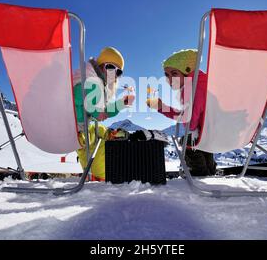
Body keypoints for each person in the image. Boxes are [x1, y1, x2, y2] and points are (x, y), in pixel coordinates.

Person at [146, 49, 216, 176]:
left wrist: (162, 108)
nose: (170, 79)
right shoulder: (205, 82)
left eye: (174, 73)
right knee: (200, 138)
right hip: (226, 133)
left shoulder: (191, 88)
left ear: (187, 71)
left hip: (213, 135)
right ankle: (210, 170)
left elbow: (190, 124)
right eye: (167, 75)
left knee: (187, 141)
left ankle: (200, 173)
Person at [73, 47, 135, 181]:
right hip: (75, 131)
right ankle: (100, 175)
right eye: (110, 67)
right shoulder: (87, 79)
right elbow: (78, 95)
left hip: (84, 127)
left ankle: (110, 135)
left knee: (100, 129)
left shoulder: (99, 85)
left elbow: (103, 112)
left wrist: (121, 103)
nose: (113, 73)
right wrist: (96, 110)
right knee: (99, 148)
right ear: (100, 65)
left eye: (118, 72)